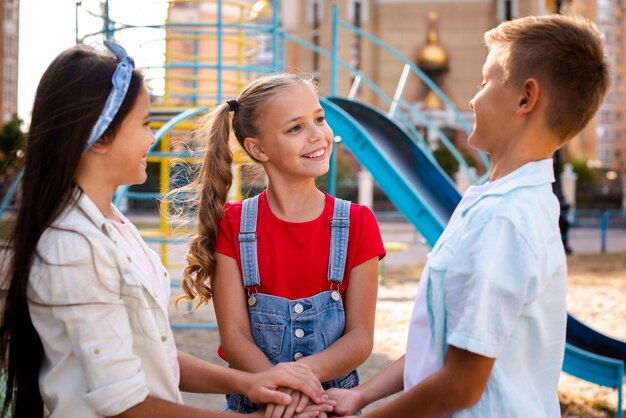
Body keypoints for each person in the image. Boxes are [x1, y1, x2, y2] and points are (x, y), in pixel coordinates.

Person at [0, 42, 329, 418]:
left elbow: (156, 355)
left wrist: (247, 383)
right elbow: (125, 405)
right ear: (102, 135)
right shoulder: (73, 250)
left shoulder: (115, 228)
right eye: (145, 124)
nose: (152, 137)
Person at [325, 14, 610, 418]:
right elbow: (446, 344)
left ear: (525, 98)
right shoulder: (496, 201)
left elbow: (461, 386)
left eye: (485, 81)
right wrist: (362, 394)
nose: (473, 99)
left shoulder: (504, 221)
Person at [177, 73, 386, 416]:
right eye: (295, 128)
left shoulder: (359, 224)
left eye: (318, 119)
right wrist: (278, 389)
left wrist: (297, 383)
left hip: (328, 407)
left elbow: (360, 338)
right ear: (258, 149)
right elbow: (235, 337)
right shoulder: (232, 225)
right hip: (257, 408)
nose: (318, 134)